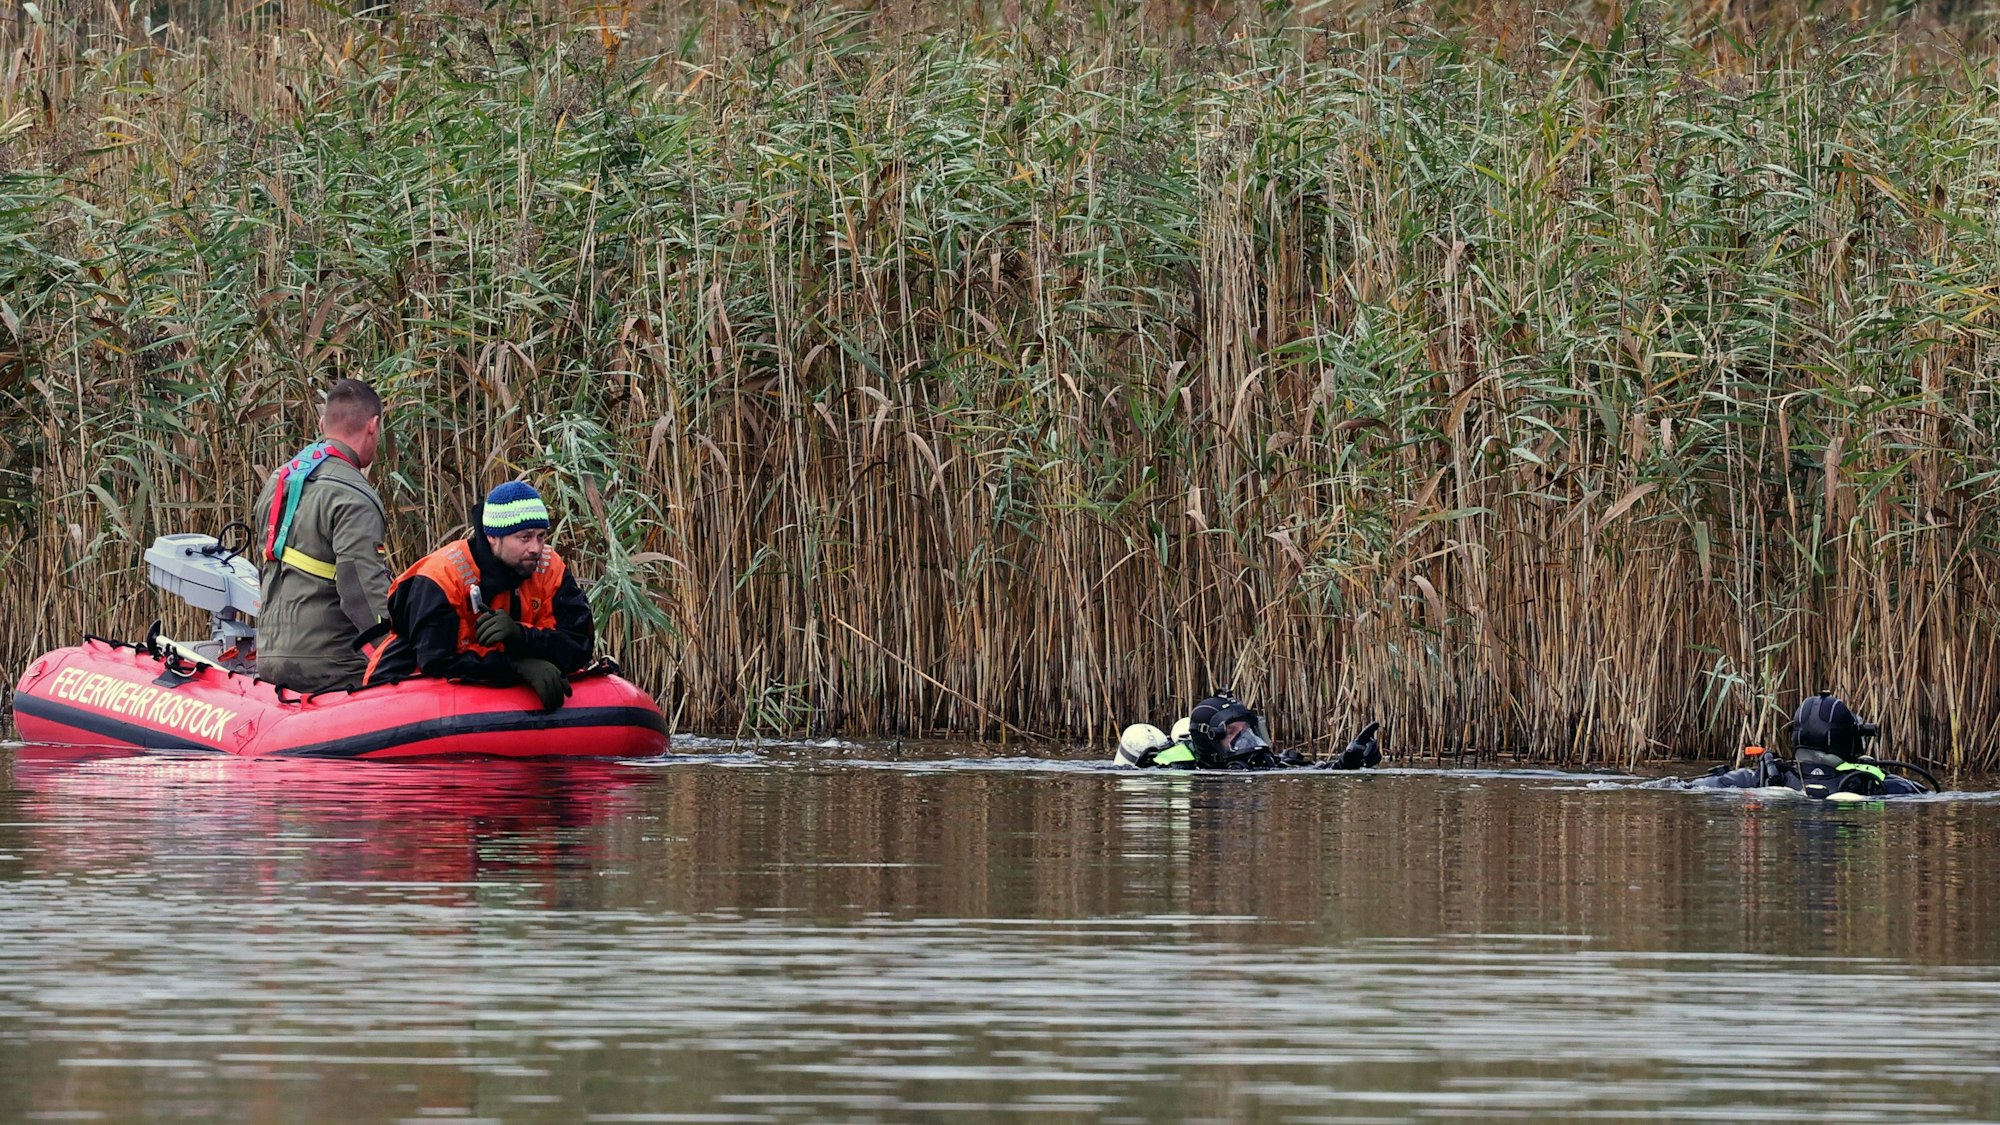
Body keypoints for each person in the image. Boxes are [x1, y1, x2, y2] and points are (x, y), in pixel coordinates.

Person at [363, 481, 593, 710]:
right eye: (525, 537)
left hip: (489, 703)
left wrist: (521, 636)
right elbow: (436, 662)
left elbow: (579, 643)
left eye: (541, 536)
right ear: (493, 536)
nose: (536, 548)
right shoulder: (442, 577)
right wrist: (517, 666)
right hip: (404, 694)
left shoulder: (550, 569)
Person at [252, 379, 390, 692]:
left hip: (269, 658)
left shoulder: (279, 480)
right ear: (373, 426)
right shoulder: (354, 495)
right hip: (333, 665)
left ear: (321, 423)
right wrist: (399, 653)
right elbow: (361, 592)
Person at [1113, 692, 1383, 770]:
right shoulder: (1179, 771)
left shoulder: (1259, 761)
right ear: (1210, 742)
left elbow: (1316, 772)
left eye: (1248, 730)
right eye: (1233, 732)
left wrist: (1349, 761)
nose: (1245, 739)